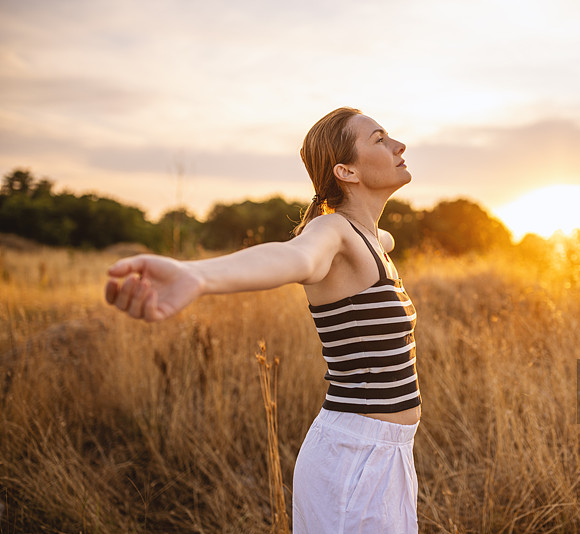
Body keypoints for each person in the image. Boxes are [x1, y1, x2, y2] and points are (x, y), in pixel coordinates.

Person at [104, 107, 422, 533]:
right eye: (380, 139)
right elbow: (292, 256)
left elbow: (383, 236)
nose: (399, 145)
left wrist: (381, 236)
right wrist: (197, 275)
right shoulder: (332, 232)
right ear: (345, 170)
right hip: (354, 455)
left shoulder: (375, 239)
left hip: (392, 453)